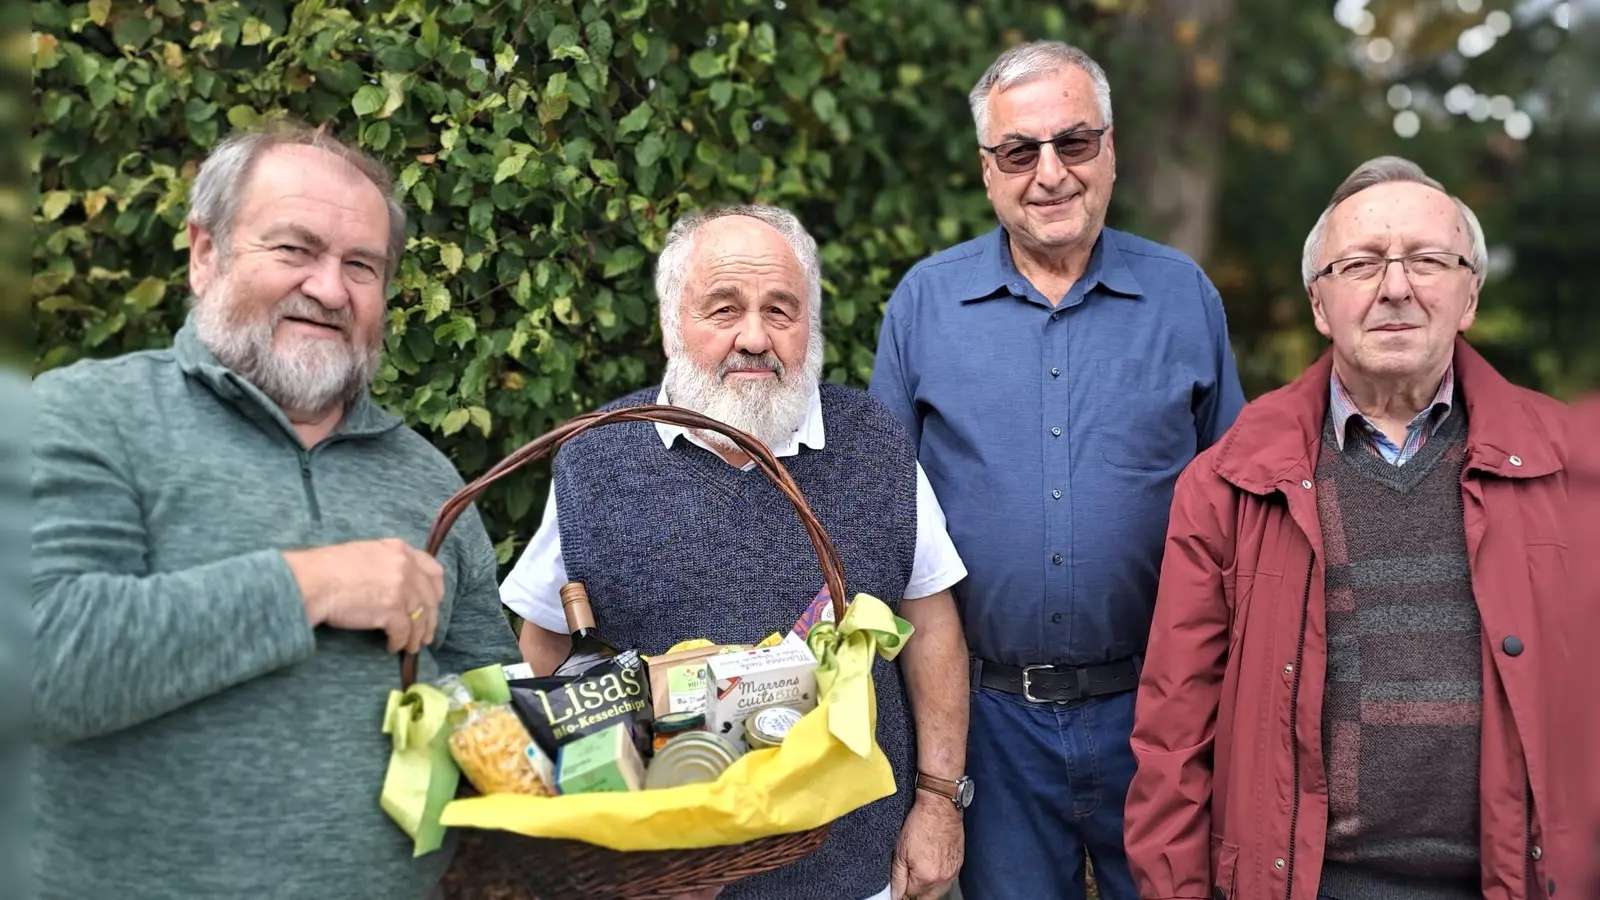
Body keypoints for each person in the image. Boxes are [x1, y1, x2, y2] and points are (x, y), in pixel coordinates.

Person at [32, 123, 519, 900]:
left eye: (361, 265)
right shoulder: (88, 415)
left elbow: (488, 708)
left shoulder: (429, 480)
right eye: (294, 250)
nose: (329, 289)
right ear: (204, 253)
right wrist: (312, 586)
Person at [1124, 156, 1585, 900]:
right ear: (1319, 303)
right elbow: (1173, 740)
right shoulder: (1229, 482)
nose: (1396, 287)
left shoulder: (1570, 468)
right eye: (1363, 263)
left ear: (1470, 295)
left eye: (1428, 261)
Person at [500, 205, 972, 900]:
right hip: (666, 876)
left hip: (857, 875)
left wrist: (938, 799)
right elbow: (541, 651)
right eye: (723, 309)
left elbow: (931, 627)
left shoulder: (873, 443)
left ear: (809, 325)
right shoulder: (595, 458)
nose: (755, 336)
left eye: (780, 310)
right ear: (670, 324)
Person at [867, 40, 1245, 900]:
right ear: (988, 170)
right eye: (1020, 151)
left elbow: (1239, 516)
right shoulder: (924, 304)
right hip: (990, 724)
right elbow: (887, 523)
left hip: (1158, 712)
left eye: (1074, 143)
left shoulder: (1184, 295)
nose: (1050, 173)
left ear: (1109, 150)